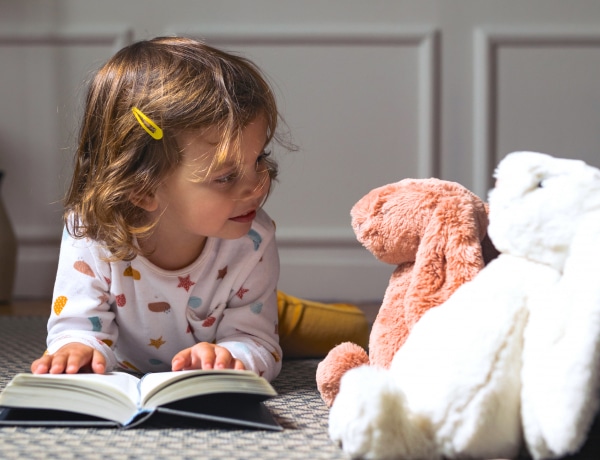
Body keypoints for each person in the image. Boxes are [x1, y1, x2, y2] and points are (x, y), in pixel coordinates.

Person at [31, 36, 287, 381]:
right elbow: (76, 327)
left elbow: (258, 342)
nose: (256, 185)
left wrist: (231, 355)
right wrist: (77, 348)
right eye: (225, 178)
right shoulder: (93, 232)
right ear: (142, 188)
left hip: (249, 305)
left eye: (259, 159)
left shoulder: (253, 239)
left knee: (323, 328)